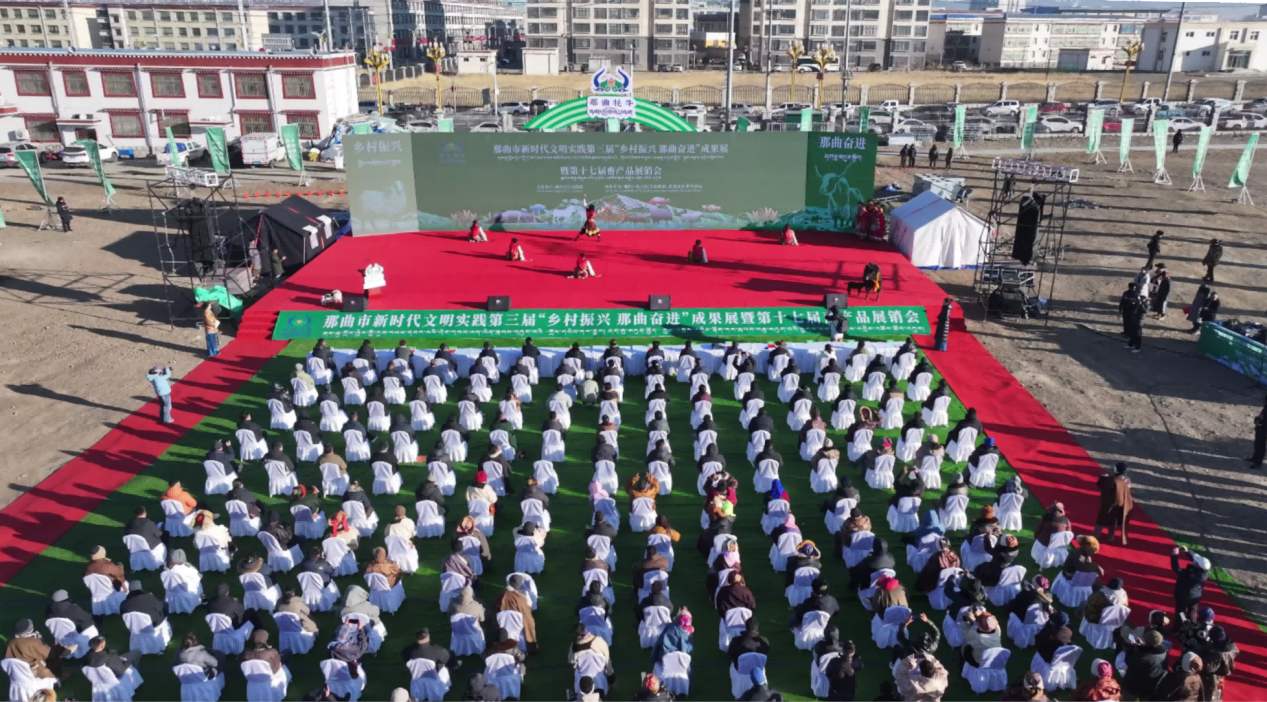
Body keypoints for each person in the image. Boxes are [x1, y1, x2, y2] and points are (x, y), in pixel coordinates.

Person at [490, 579, 537, 652]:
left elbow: (495, 605)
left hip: (503, 628)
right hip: (518, 629)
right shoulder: (521, 599)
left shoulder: (502, 595)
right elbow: (527, 616)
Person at [1094, 462, 1133, 544]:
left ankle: (1095, 536)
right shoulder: (1128, 480)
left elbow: (1102, 486)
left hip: (1109, 504)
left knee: (1101, 520)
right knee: (1113, 522)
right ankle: (1110, 537)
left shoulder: (1112, 480)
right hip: (1120, 504)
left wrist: (1102, 478)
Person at [1172, 546, 1211, 626]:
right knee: (1193, 611)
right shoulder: (1204, 572)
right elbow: (1196, 561)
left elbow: (1176, 568)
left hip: (1184, 597)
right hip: (1196, 597)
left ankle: (1182, 625)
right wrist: (1187, 551)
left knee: (1181, 612)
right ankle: (1192, 624)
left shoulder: (1190, 573)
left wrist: (1174, 556)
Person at [1123, 288, 1145, 353]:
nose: (1140, 300)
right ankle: (1131, 344)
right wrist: (1131, 302)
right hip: (1133, 320)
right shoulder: (1137, 304)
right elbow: (1131, 308)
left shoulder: (1146, 305)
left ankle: (1137, 348)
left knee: (1137, 335)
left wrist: (1141, 304)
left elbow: (1145, 310)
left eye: (1142, 299)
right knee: (1132, 333)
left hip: (1139, 322)